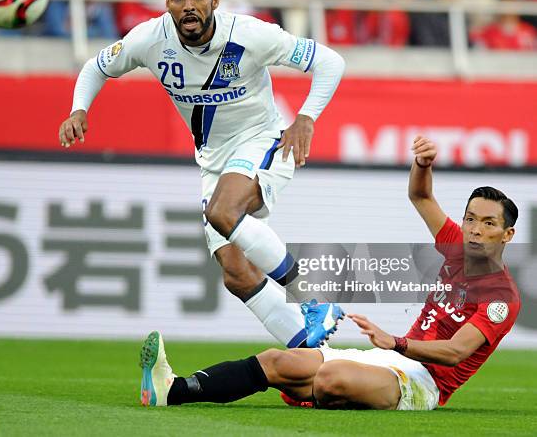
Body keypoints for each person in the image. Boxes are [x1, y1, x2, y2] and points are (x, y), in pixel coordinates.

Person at [58, 0, 346, 349]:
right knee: (236, 273)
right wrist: (80, 109)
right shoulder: (150, 39)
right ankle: (312, 357)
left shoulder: (249, 34)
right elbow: (96, 67)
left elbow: (330, 61)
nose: (188, 6)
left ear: (214, 0)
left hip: (263, 139)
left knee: (224, 213)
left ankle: (314, 298)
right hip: (213, 158)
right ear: (167, 4)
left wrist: (306, 118)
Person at [139, 135, 521, 410]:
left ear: (508, 235)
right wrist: (422, 165)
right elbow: (421, 196)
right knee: (278, 360)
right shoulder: (456, 247)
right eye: (470, 219)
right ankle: (172, 389)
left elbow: (455, 353)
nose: (474, 229)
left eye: (487, 223)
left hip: (423, 383)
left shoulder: (501, 296)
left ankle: (312, 393)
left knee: (329, 377)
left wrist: (397, 343)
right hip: (391, 360)